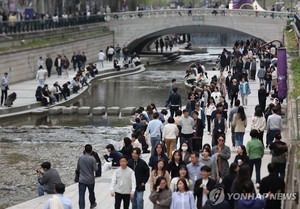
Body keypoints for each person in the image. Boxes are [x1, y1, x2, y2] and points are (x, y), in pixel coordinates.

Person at [76, 144, 98, 209]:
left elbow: (78, 169)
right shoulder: (92, 159)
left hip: (82, 179)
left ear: (84, 150)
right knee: (91, 192)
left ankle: (81, 207)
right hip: (90, 180)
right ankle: (92, 203)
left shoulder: (80, 158)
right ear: (91, 151)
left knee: (81, 195)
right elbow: (96, 169)